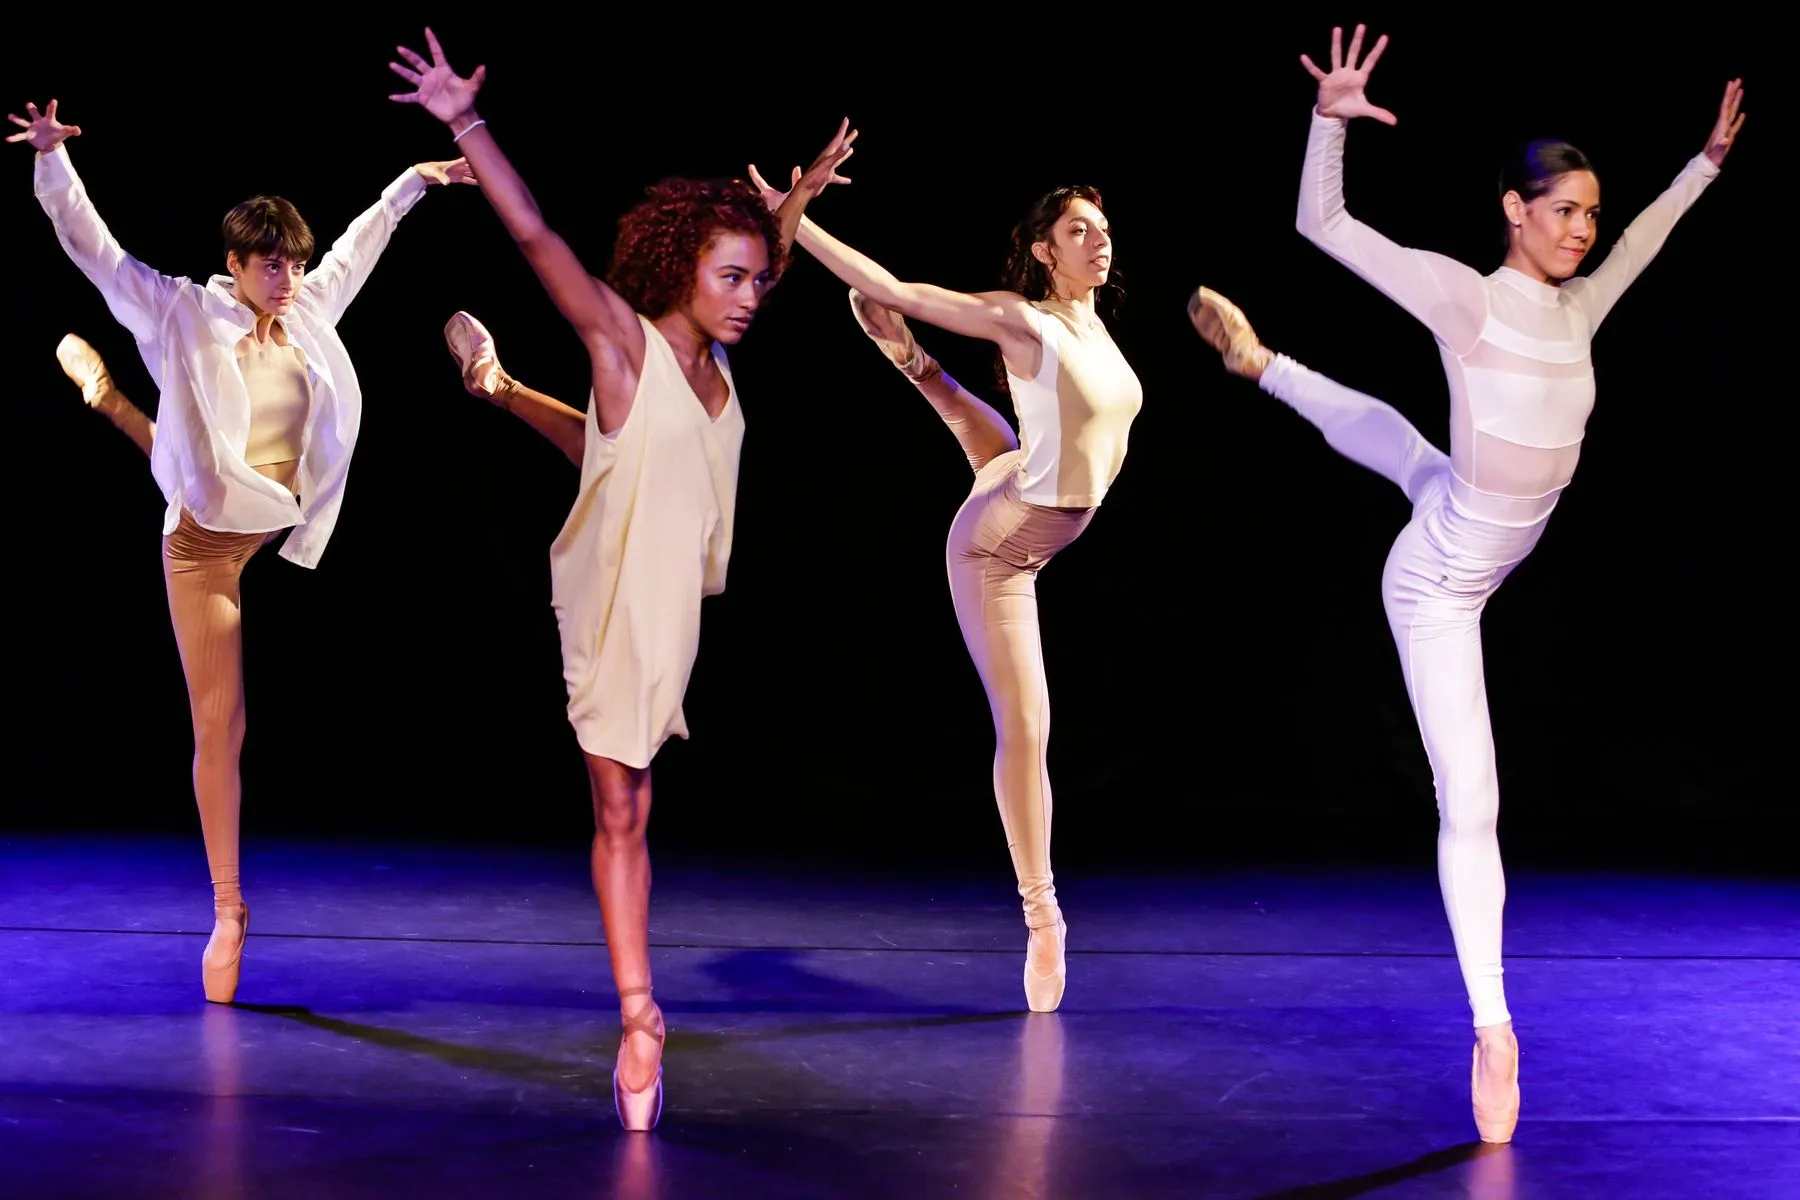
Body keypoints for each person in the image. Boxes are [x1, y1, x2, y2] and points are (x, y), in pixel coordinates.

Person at [1190, 24, 1745, 1143]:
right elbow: (1324, 226)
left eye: (1591, 213)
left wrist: (1704, 165)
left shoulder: (1580, 306)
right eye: (1563, 211)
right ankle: (1494, 1028)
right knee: (1474, 801)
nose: (1584, 230)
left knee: (1419, 461)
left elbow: (1648, 239)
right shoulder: (1467, 300)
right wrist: (1329, 123)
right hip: (1438, 585)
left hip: (1477, 530)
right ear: (1512, 210)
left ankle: (1264, 365)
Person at [385, 27, 850, 1130]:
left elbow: (763, 263)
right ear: (679, 270)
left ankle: (498, 388)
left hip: (671, 590)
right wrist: (464, 120)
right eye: (731, 278)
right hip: (611, 599)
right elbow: (537, 235)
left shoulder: (717, 353)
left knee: (613, 453)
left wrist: (791, 211)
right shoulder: (623, 344)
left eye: (757, 280)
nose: (752, 295)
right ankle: (641, 1019)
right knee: (621, 803)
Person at [10, 97, 475, 1006]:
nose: (288, 276)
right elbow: (95, 250)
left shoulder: (306, 312)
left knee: (185, 459)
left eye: (295, 262)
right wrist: (52, 160)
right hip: (205, 551)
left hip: (263, 514)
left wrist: (415, 181)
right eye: (271, 263)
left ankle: (111, 402)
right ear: (235, 263)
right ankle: (229, 909)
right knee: (222, 726)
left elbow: (358, 248)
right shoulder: (181, 311)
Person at [746, 156, 1144, 1014]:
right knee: (1027, 726)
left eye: (1104, 229)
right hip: (994, 550)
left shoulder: (1093, 330)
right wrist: (795, 212)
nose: (1098, 241)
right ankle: (1042, 918)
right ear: (1043, 250)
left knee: (1002, 460)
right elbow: (889, 285)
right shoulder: (1021, 319)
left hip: (1024, 495)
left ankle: (917, 370)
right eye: (1078, 230)